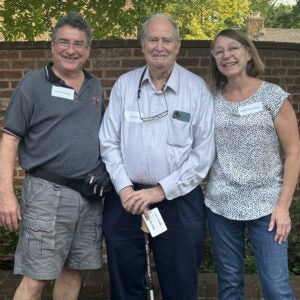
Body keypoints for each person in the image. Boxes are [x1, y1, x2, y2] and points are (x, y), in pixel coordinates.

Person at [99, 13, 215, 300]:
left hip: (177, 198)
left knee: (180, 280)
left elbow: (203, 156)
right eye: (153, 39)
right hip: (125, 197)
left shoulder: (196, 90)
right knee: (125, 278)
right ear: (142, 45)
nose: (159, 46)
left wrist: (160, 190)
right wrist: (125, 189)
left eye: (166, 40)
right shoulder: (125, 85)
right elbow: (108, 141)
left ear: (177, 46)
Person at [0, 12, 107, 300]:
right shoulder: (32, 84)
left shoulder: (94, 87)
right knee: (36, 277)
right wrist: (6, 195)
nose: (71, 50)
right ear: (52, 46)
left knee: (74, 272)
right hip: (48, 194)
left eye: (78, 44)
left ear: (88, 50)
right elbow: (9, 139)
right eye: (64, 42)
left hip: (88, 197)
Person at [205, 28, 300, 300]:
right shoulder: (209, 99)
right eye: (219, 50)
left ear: (248, 53)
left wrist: (283, 207)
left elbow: (293, 153)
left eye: (233, 48)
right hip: (221, 203)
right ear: (214, 58)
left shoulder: (272, 96)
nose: (227, 55)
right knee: (230, 287)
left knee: (276, 289)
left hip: (267, 205)